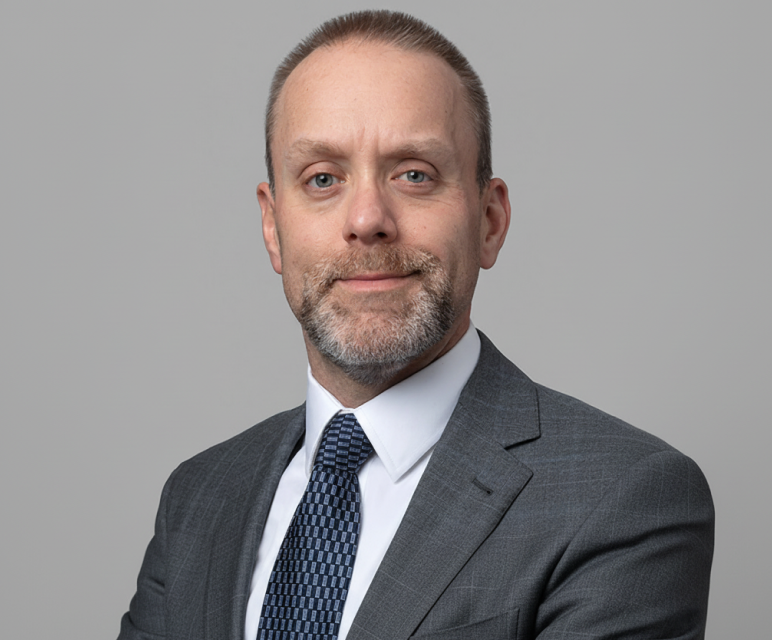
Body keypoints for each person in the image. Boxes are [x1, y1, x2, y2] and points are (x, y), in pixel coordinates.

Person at [118, 10, 713, 640]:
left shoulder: (622, 499)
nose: (368, 218)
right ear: (273, 228)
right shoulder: (199, 497)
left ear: (489, 220)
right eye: (322, 178)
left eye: (414, 175)